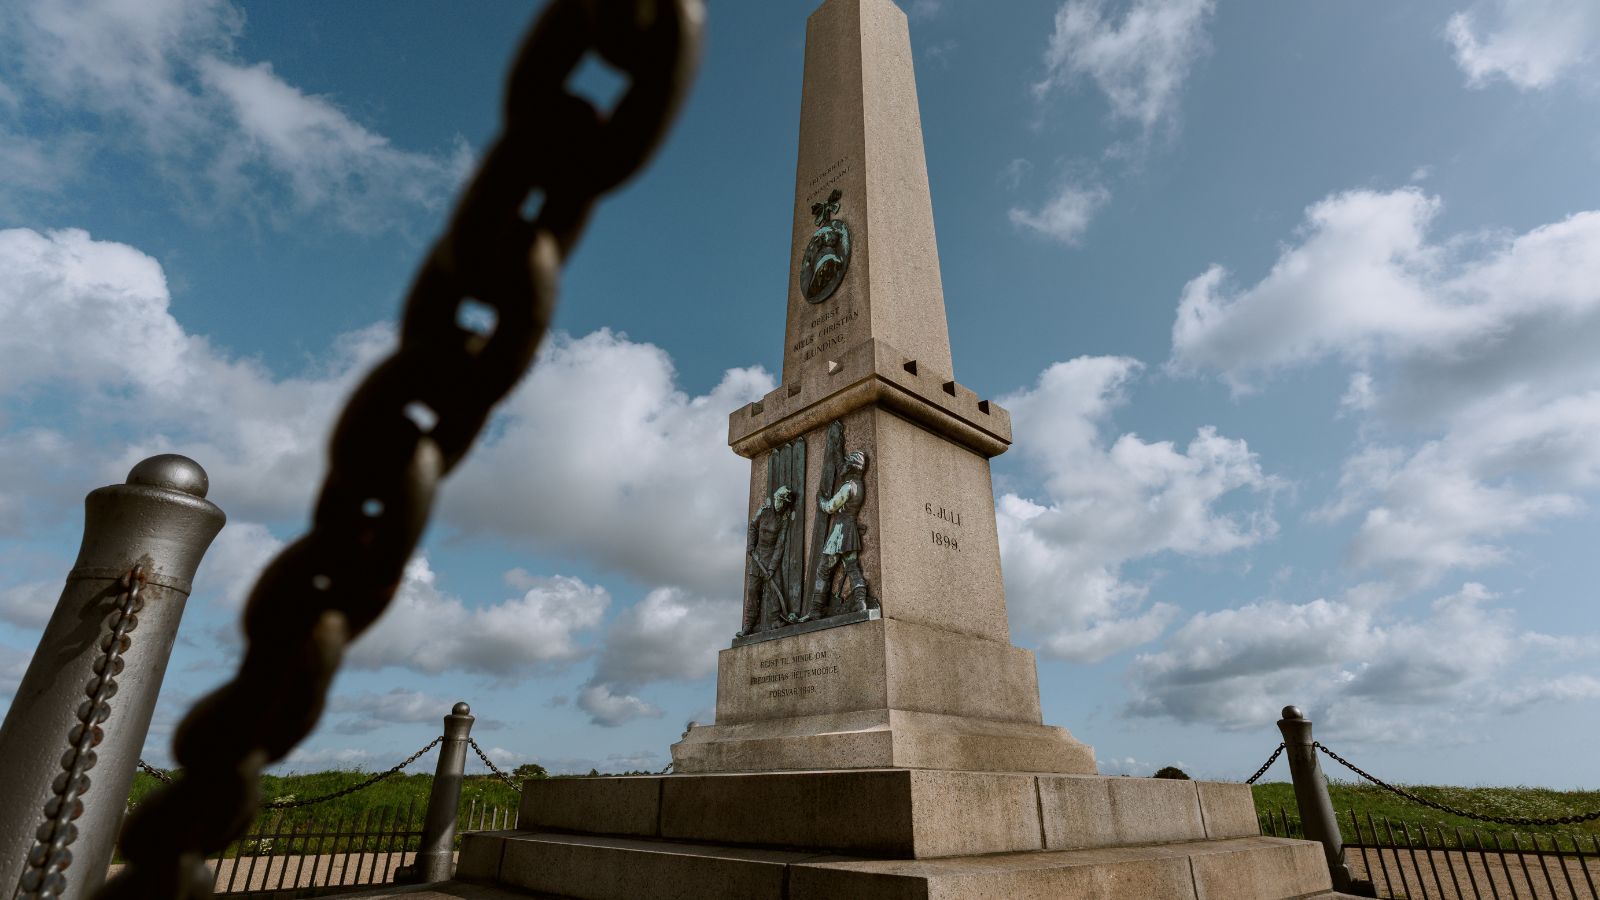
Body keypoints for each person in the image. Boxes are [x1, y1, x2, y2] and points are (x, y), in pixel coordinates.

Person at [808, 450, 869, 618]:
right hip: (851, 531)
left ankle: (815, 610)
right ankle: (861, 603)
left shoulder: (848, 487)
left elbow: (830, 507)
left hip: (840, 532)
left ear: (851, 467)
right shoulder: (860, 487)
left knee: (823, 570)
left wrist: (820, 500)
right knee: (853, 568)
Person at [737, 485, 795, 638]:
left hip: (771, 559)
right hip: (757, 557)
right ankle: (748, 625)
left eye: (785, 504)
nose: (782, 505)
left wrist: (771, 568)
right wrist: (750, 546)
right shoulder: (763, 511)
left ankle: (775, 620)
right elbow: (752, 527)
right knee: (752, 592)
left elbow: (780, 545)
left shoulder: (783, 519)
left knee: (775, 591)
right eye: (782, 502)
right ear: (778, 499)